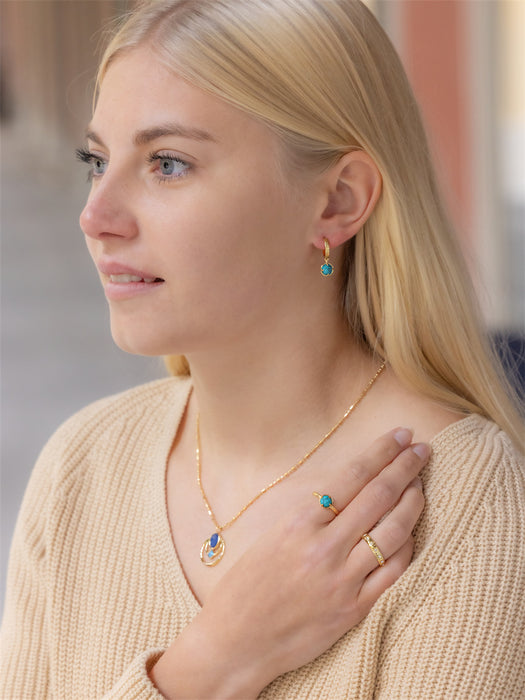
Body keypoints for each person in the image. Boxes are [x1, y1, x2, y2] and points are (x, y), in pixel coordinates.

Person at [1, 0, 524, 697]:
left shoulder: (461, 501)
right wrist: (215, 662)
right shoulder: (81, 465)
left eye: (168, 163)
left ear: (337, 202)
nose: (95, 217)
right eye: (96, 160)